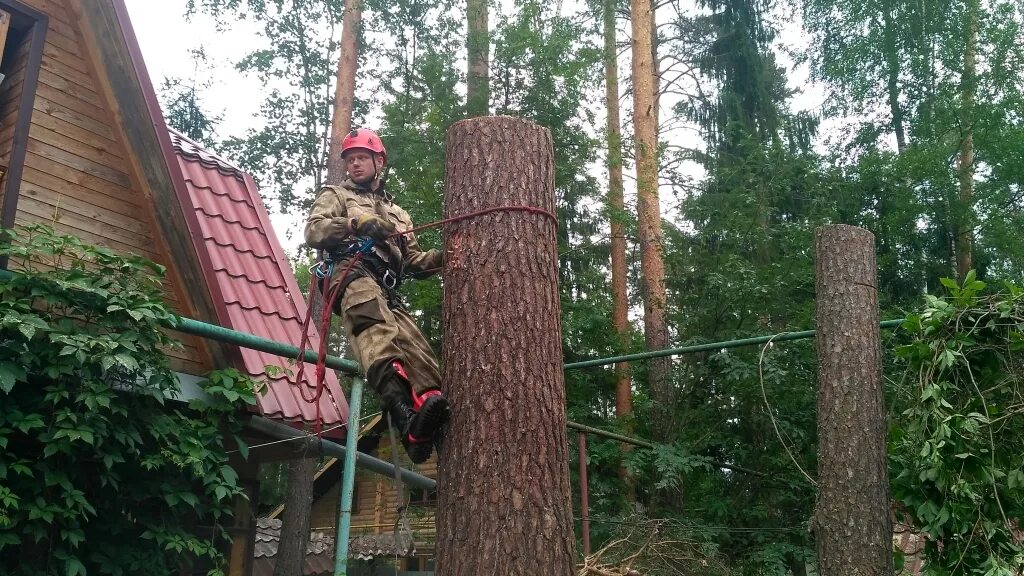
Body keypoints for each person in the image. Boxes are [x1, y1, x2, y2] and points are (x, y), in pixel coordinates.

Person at [304, 128, 448, 464]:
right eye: (350, 159)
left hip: (387, 285)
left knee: (420, 354)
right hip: (351, 274)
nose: (354, 164)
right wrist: (357, 223)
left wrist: (443, 257)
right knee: (377, 335)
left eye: (361, 158)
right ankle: (403, 419)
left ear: (378, 161)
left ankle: (420, 430)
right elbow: (314, 230)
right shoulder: (337, 195)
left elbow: (413, 261)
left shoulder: (399, 214)